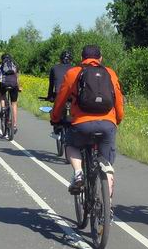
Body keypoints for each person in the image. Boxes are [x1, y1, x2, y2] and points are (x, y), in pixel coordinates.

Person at [50, 45, 125, 195]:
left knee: (70, 144)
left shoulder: (74, 73)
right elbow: (118, 101)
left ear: (82, 58)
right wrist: (117, 120)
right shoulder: (110, 73)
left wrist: (55, 118)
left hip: (81, 124)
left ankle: (78, 172)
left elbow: (60, 99)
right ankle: (107, 206)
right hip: (107, 124)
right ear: (100, 58)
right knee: (107, 165)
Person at [0, 53, 20, 133]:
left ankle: (3, 108)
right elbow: (16, 77)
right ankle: (14, 125)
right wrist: (19, 87)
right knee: (14, 103)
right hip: (14, 85)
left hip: (4, 84)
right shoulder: (15, 64)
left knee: (2, 95)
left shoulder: (0, 65)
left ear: (2, 59)